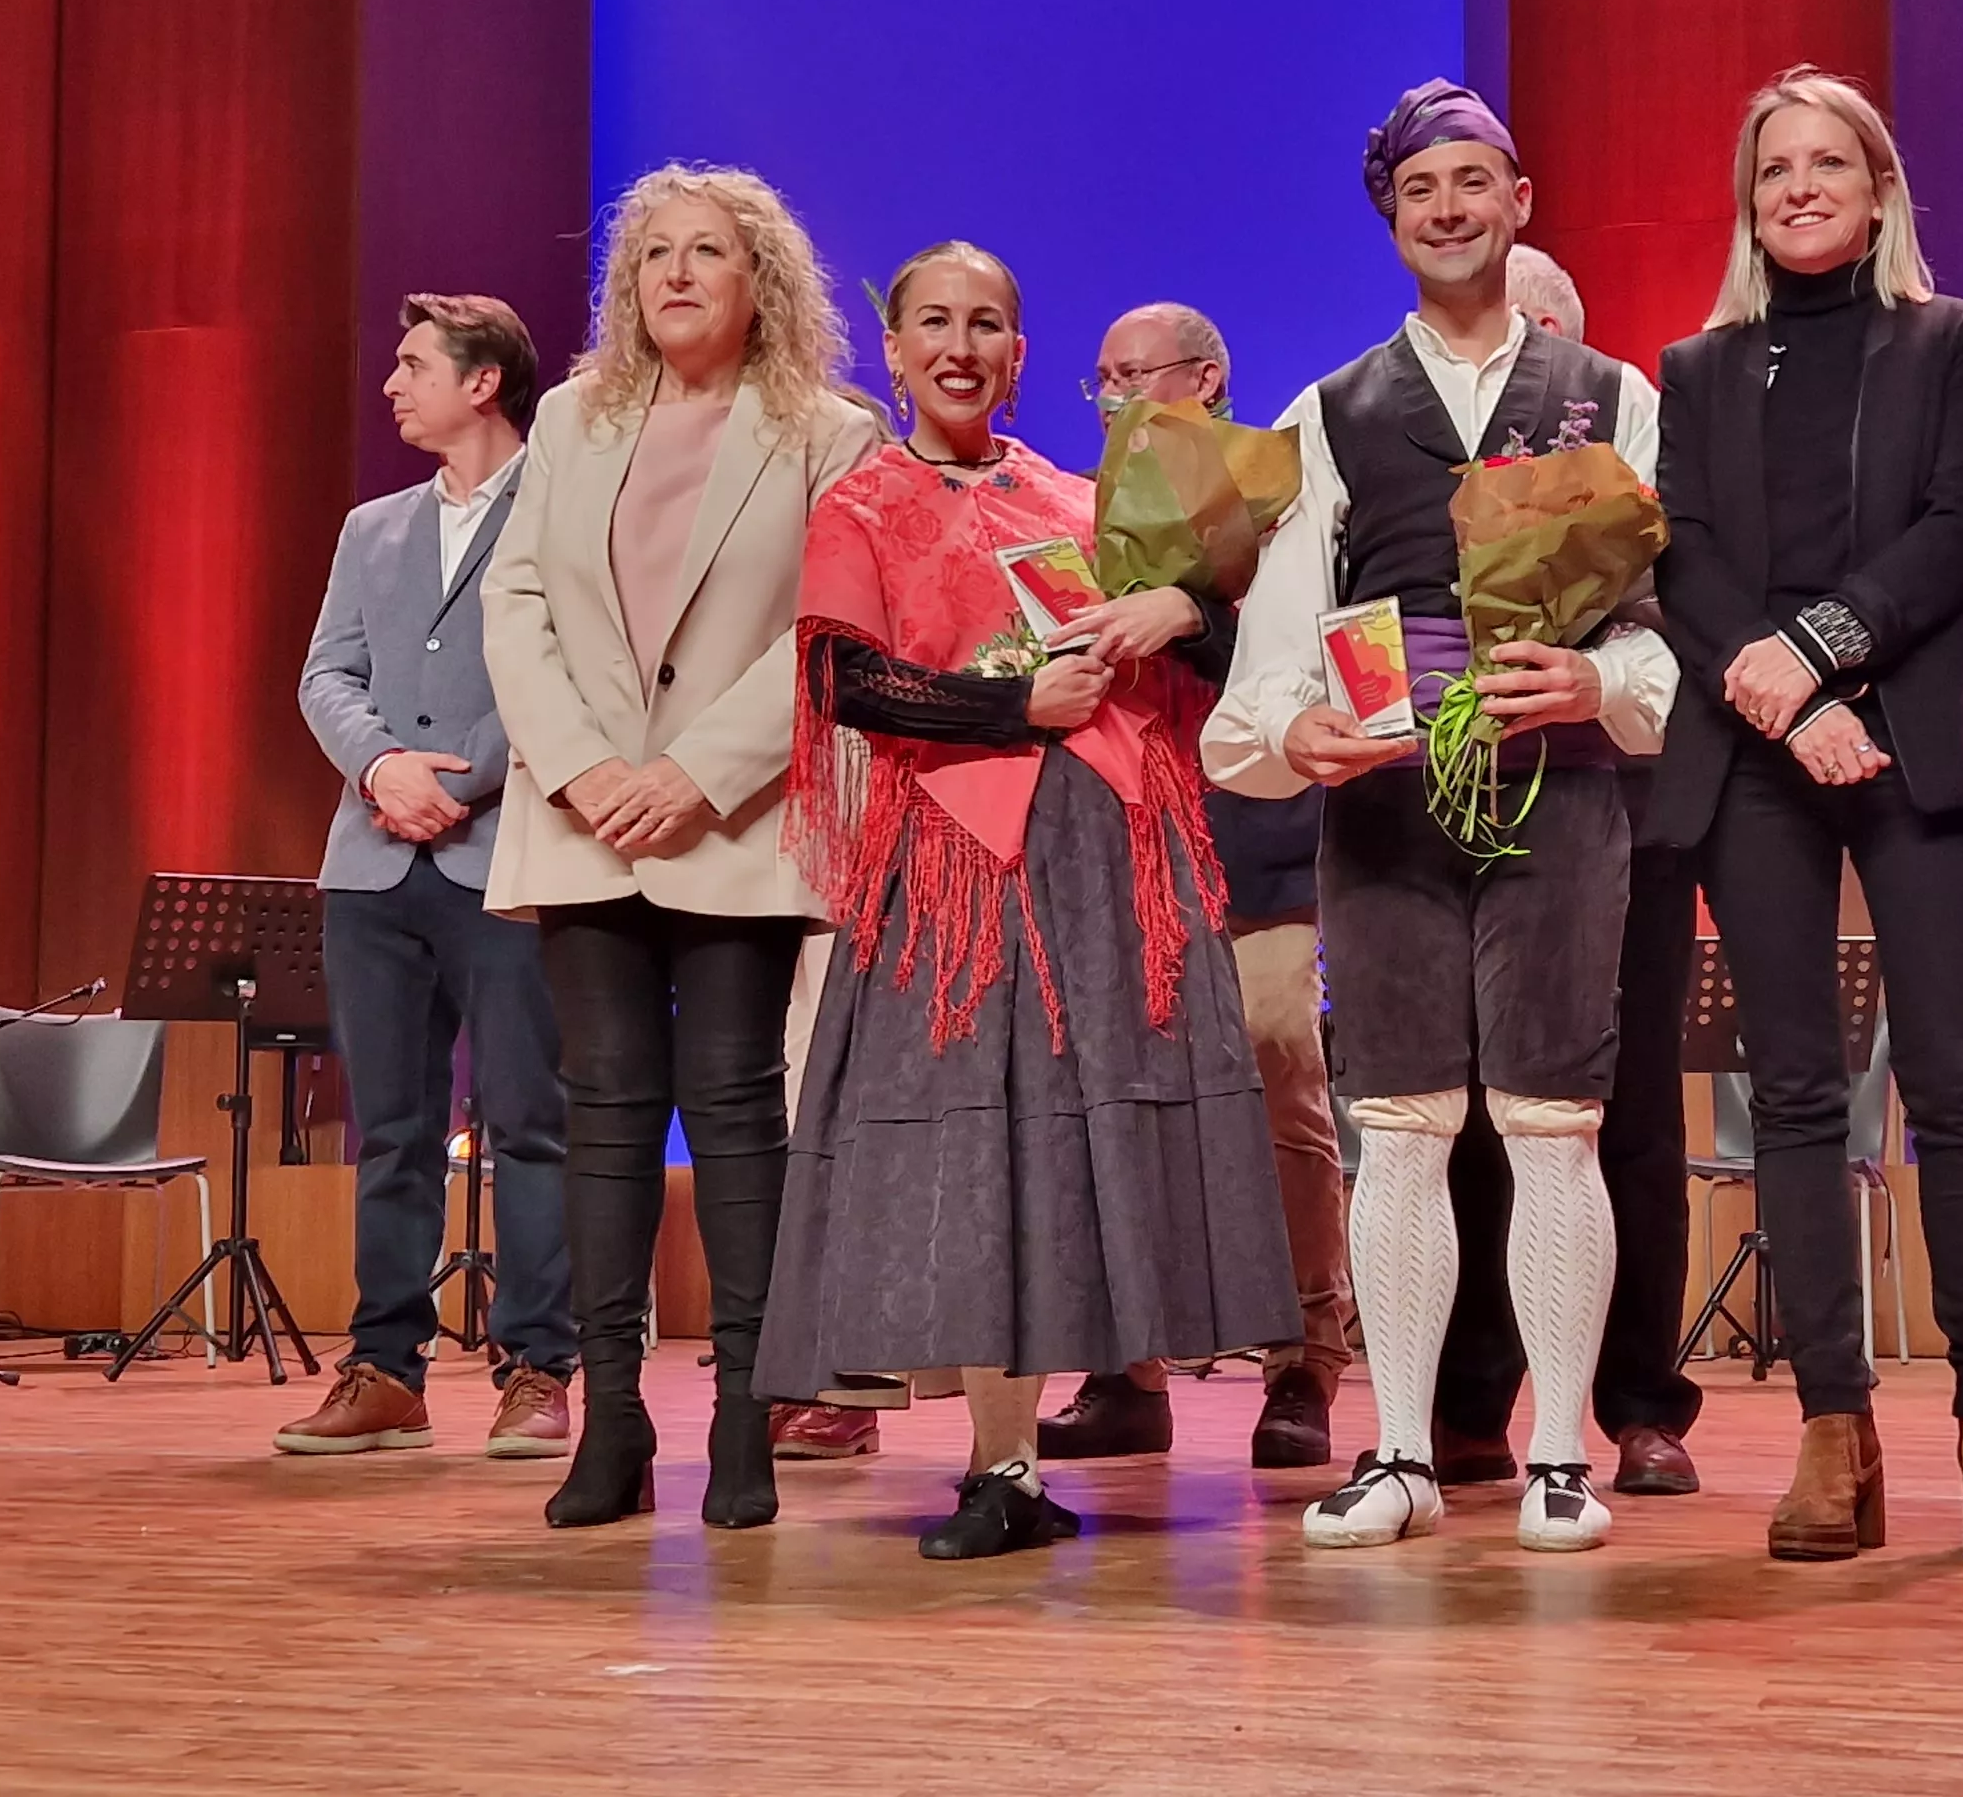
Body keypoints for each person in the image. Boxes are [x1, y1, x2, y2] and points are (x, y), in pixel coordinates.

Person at [757, 242, 1298, 1562]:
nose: (961, 346)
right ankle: (995, 1464)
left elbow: (1209, 651)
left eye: (988, 325)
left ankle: (1095, 1409)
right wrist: (1011, 704)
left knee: (1071, 1146)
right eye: (934, 323)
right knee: (974, 1148)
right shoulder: (861, 507)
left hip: (1105, 861)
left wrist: (1185, 604)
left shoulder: (1082, 500)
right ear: (891, 350)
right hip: (954, 866)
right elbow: (844, 685)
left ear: (1019, 354)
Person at [1207, 80, 1675, 1554]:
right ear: (1391, 218)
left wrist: (1592, 677)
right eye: (1423, 190)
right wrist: (1300, 729)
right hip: (1393, 810)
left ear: (1520, 199)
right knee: (1397, 1131)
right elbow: (1273, 652)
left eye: (1476, 181)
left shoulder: (1614, 394)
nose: (1451, 208)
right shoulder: (1329, 413)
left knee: (1552, 1125)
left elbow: (1667, 637)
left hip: (1565, 806)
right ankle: (1402, 1449)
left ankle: (1557, 1451)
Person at [1651, 67, 1963, 1567]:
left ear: (1880, 192)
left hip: (1920, 739)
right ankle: (1835, 1427)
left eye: (1829, 163)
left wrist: (1819, 656)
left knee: (1953, 1089)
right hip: (1762, 746)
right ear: (1752, 204)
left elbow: (1954, 531)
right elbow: (1680, 562)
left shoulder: (1956, 340)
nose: (1801, 186)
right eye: (1775, 170)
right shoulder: (1699, 367)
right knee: (1795, 1101)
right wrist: (1785, 704)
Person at [477, 163, 880, 1531]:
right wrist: (593, 771)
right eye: (655, 254)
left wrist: (694, 778)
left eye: (709, 251)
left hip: (736, 820)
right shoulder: (567, 422)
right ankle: (612, 1419)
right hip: (586, 819)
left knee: (733, 1112)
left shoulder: (828, 431)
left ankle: (745, 1418)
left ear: (760, 279)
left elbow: (825, 632)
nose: (679, 274)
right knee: (601, 1117)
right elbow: (517, 601)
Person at [1033, 302, 1352, 1471]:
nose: (1116, 395)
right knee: (1114, 1103)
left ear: (1206, 379)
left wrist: (1192, 615)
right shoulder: (1081, 509)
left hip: (1256, 839)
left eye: (1138, 374)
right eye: (1101, 377)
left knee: (1280, 1095)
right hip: (1122, 838)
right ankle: (1127, 1369)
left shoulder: (1280, 496)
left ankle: (1305, 1364)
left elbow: (1316, 652)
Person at [1421, 241, 1706, 1501]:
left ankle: (1640, 1402)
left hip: (1621, 810)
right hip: (1463, 803)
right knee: (1464, 1110)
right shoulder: (1396, 432)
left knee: (1625, 1114)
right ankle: (1470, 1395)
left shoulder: (1634, 431)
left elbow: (1679, 621)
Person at [276, 294, 579, 1460]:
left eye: (412, 365)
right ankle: (385, 1368)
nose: (393, 385)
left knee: (527, 1122)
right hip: (371, 865)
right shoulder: (373, 527)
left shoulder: (557, 518)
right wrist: (383, 766)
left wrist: (465, 781)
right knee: (393, 1131)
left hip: (501, 853)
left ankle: (539, 1365)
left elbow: (561, 672)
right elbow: (324, 674)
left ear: (484, 382)